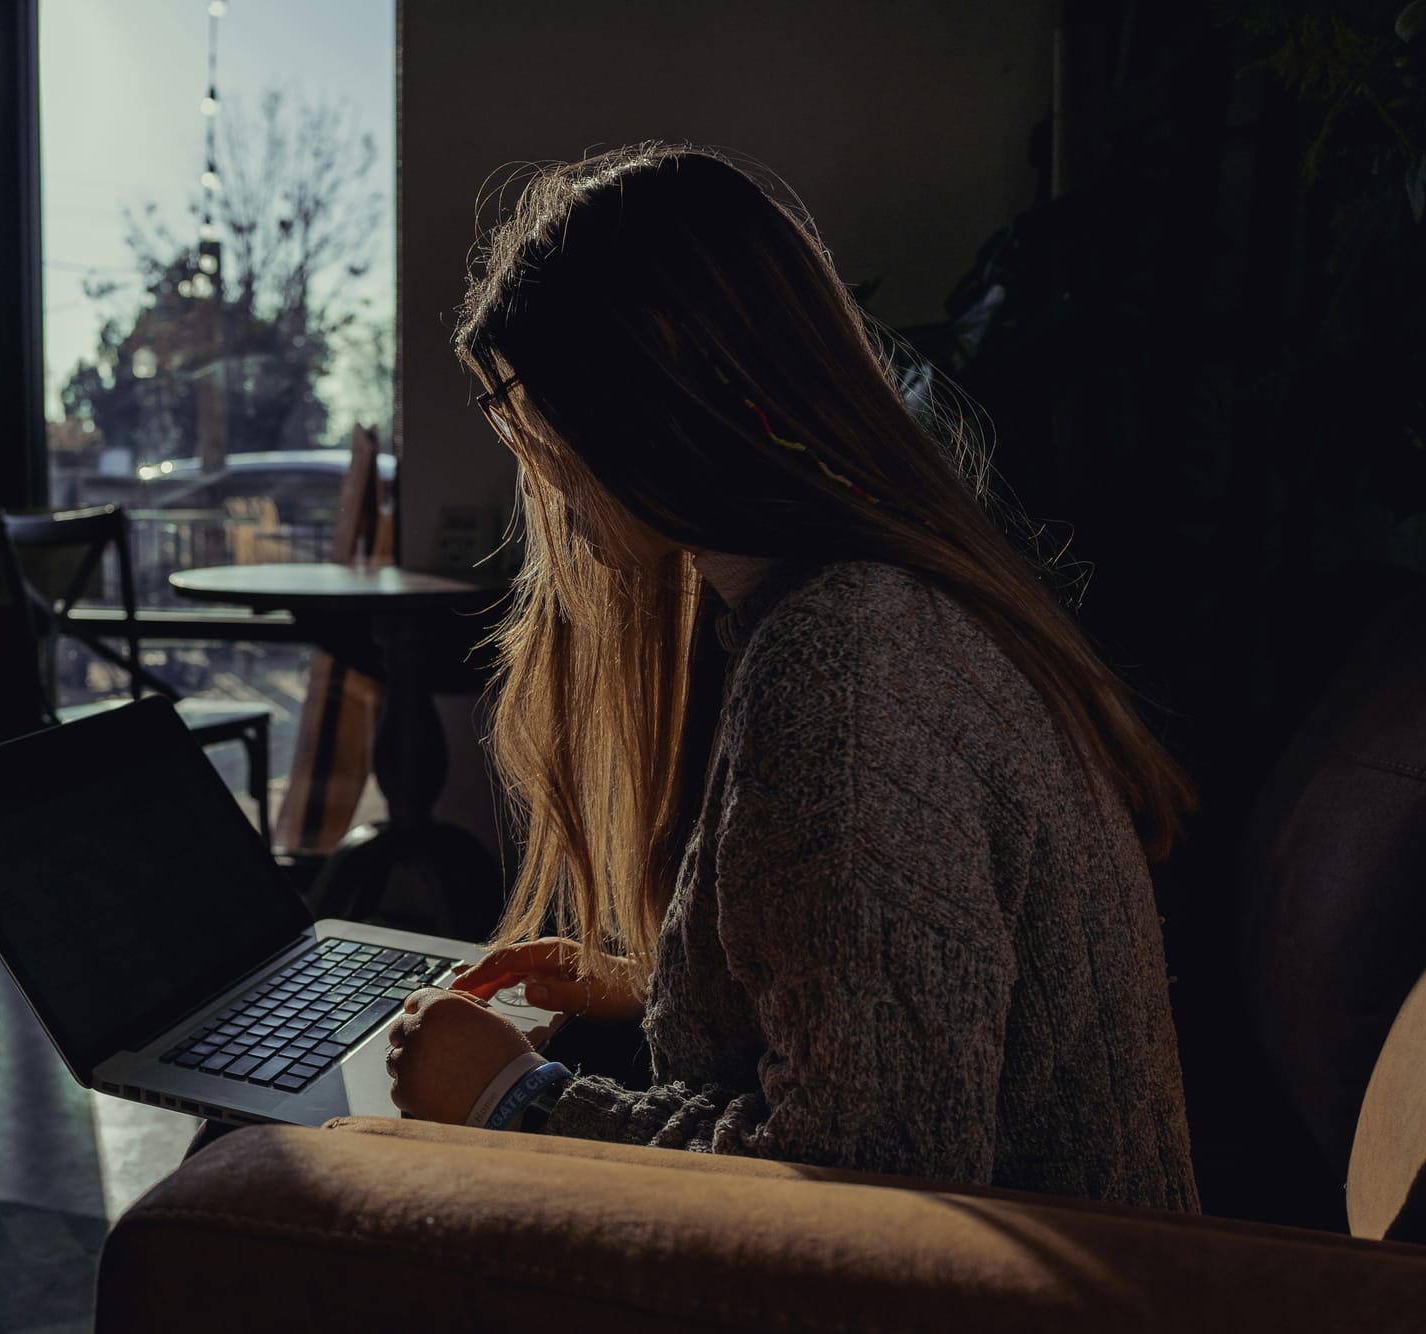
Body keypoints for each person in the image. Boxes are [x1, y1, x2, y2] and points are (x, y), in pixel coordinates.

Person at [381, 141, 1203, 1213]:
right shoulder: (867, 613)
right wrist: (666, 988)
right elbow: (898, 1011)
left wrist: (511, 1096)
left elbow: (870, 1187)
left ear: (647, 389)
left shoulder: (845, 670)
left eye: (531, 405)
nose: (531, 455)